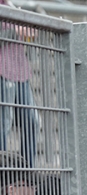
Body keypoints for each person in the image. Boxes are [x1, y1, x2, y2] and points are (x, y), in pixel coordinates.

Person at [0, 2, 38, 167]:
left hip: (20, 71)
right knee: (4, 124)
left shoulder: (11, 5)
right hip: (3, 71)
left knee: (32, 121)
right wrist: (16, 31)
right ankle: (2, 171)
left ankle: (27, 172)